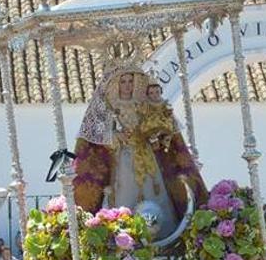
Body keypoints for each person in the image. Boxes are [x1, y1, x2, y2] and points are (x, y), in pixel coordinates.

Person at [72, 67, 207, 238]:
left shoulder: (143, 105)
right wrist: (117, 136)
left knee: (154, 190)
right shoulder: (111, 107)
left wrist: (155, 131)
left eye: (130, 81)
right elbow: (100, 136)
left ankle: (161, 234)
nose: (127, 85)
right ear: (116, 85)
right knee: (126, 193)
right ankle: (127, 236)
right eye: (123, 81)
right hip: (124, 158)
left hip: (146, 155)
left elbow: (157, 121)